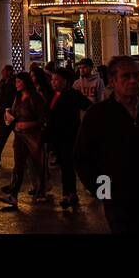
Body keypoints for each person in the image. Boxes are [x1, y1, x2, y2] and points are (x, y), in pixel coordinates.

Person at [74, 55, 139, 233]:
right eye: (126, 76)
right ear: (112, 81)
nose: (133, 81)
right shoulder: (98, 115)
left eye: (136, 75)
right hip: (118, 200)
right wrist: (103, 191)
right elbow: (83, 156)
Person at [0, 71, 47, 208]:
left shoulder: (35, 97)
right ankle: (13, 195)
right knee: (18, 165)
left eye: (19, 82)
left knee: (37, 165)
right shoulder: (18, 97)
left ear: (26, 82)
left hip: (33, 137)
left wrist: (28, 124)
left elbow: (42, 119)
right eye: (16, 82)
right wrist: (9, 114)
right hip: (19, 136)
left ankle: (41, 192)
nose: (17, 84)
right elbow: (15, 113)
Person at [45, 66, 89, 211]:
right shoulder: (53, 95)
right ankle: (71, 193)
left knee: (68, 166)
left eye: (56, 79)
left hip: (69, 135)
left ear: (65, 81)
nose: (53, 82)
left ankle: (68, 194)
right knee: (65, 166)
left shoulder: (72, 94)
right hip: (57, 136)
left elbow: (88, 106)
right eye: (52, 79)